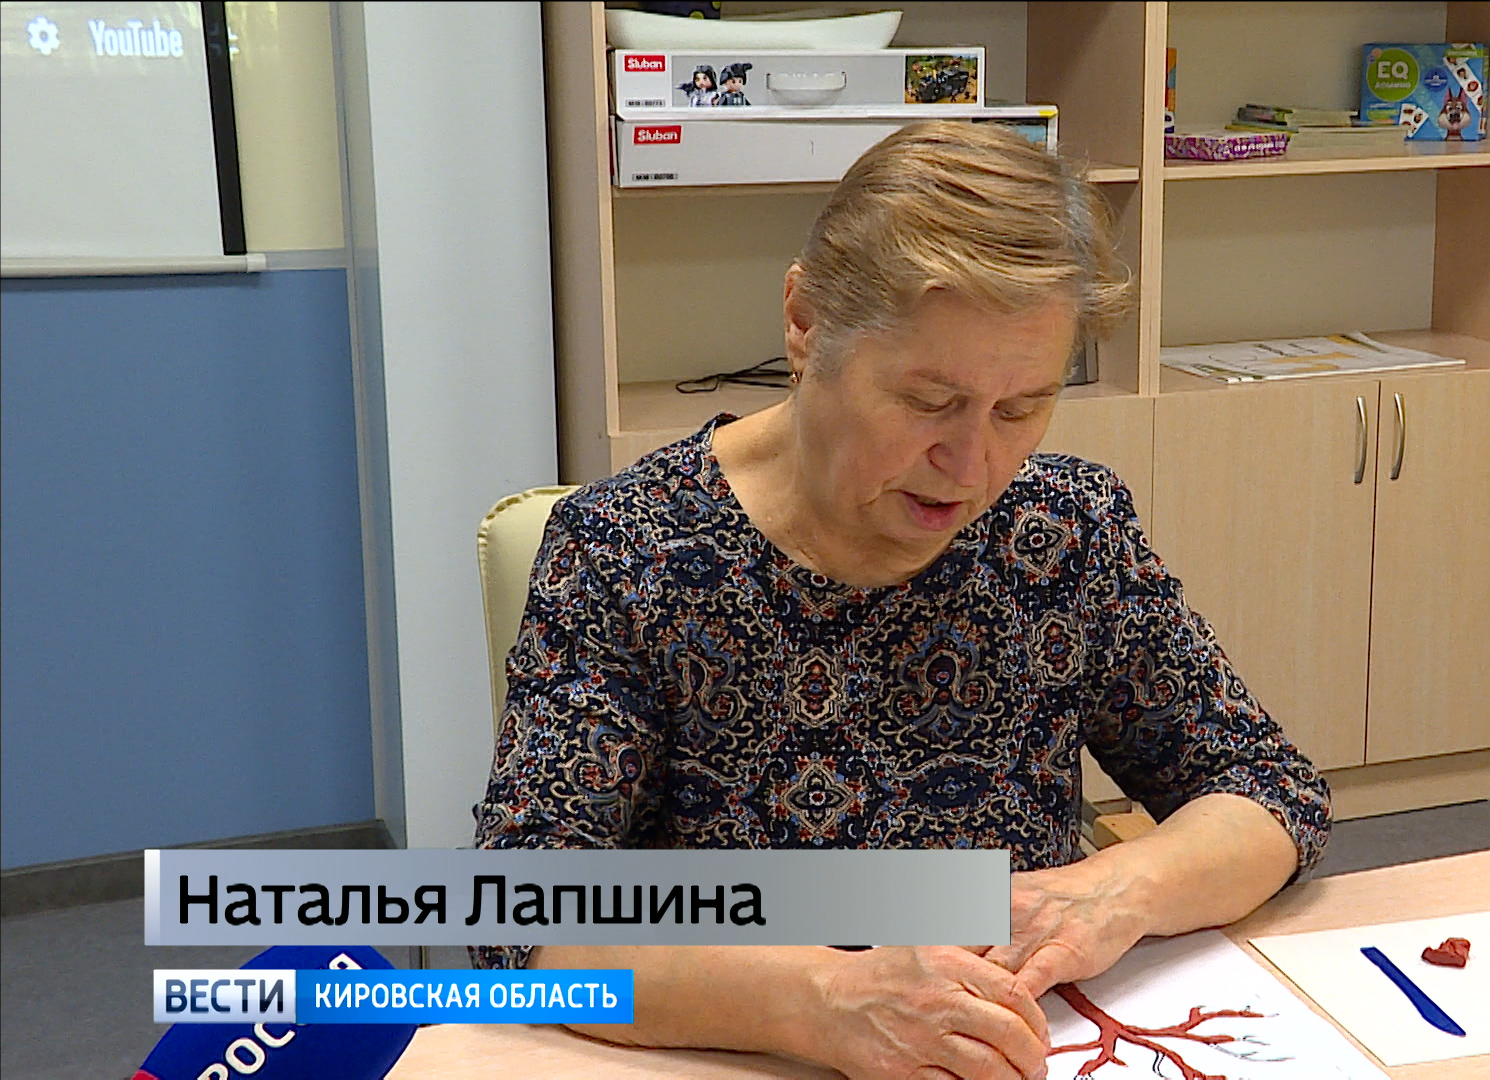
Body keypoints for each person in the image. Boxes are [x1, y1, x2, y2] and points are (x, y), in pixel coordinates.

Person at [471, 121, 1331, 1080]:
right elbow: (522, 915)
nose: (973, 465)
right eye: (928, 401)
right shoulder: (626, 553)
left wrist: (1108, 891)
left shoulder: (1061, 530)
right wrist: (824, 1000)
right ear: (805, 323)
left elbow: (1267, 789)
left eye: (1020, 409)